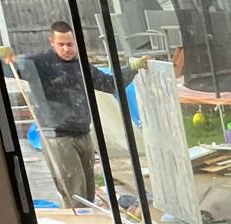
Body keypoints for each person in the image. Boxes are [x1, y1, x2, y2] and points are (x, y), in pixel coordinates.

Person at [18, 20, 141, 208]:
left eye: (70, 44)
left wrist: (132, 69)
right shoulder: (39, 63)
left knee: (88, 192)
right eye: (61, 44)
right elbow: (11, 68)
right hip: (58, 137)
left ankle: (89, 221)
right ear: (52, 42)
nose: (66, 49)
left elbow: (109, 84)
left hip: (83, 133)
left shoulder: (81, 66)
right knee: (76, 195)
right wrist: (7, 60)